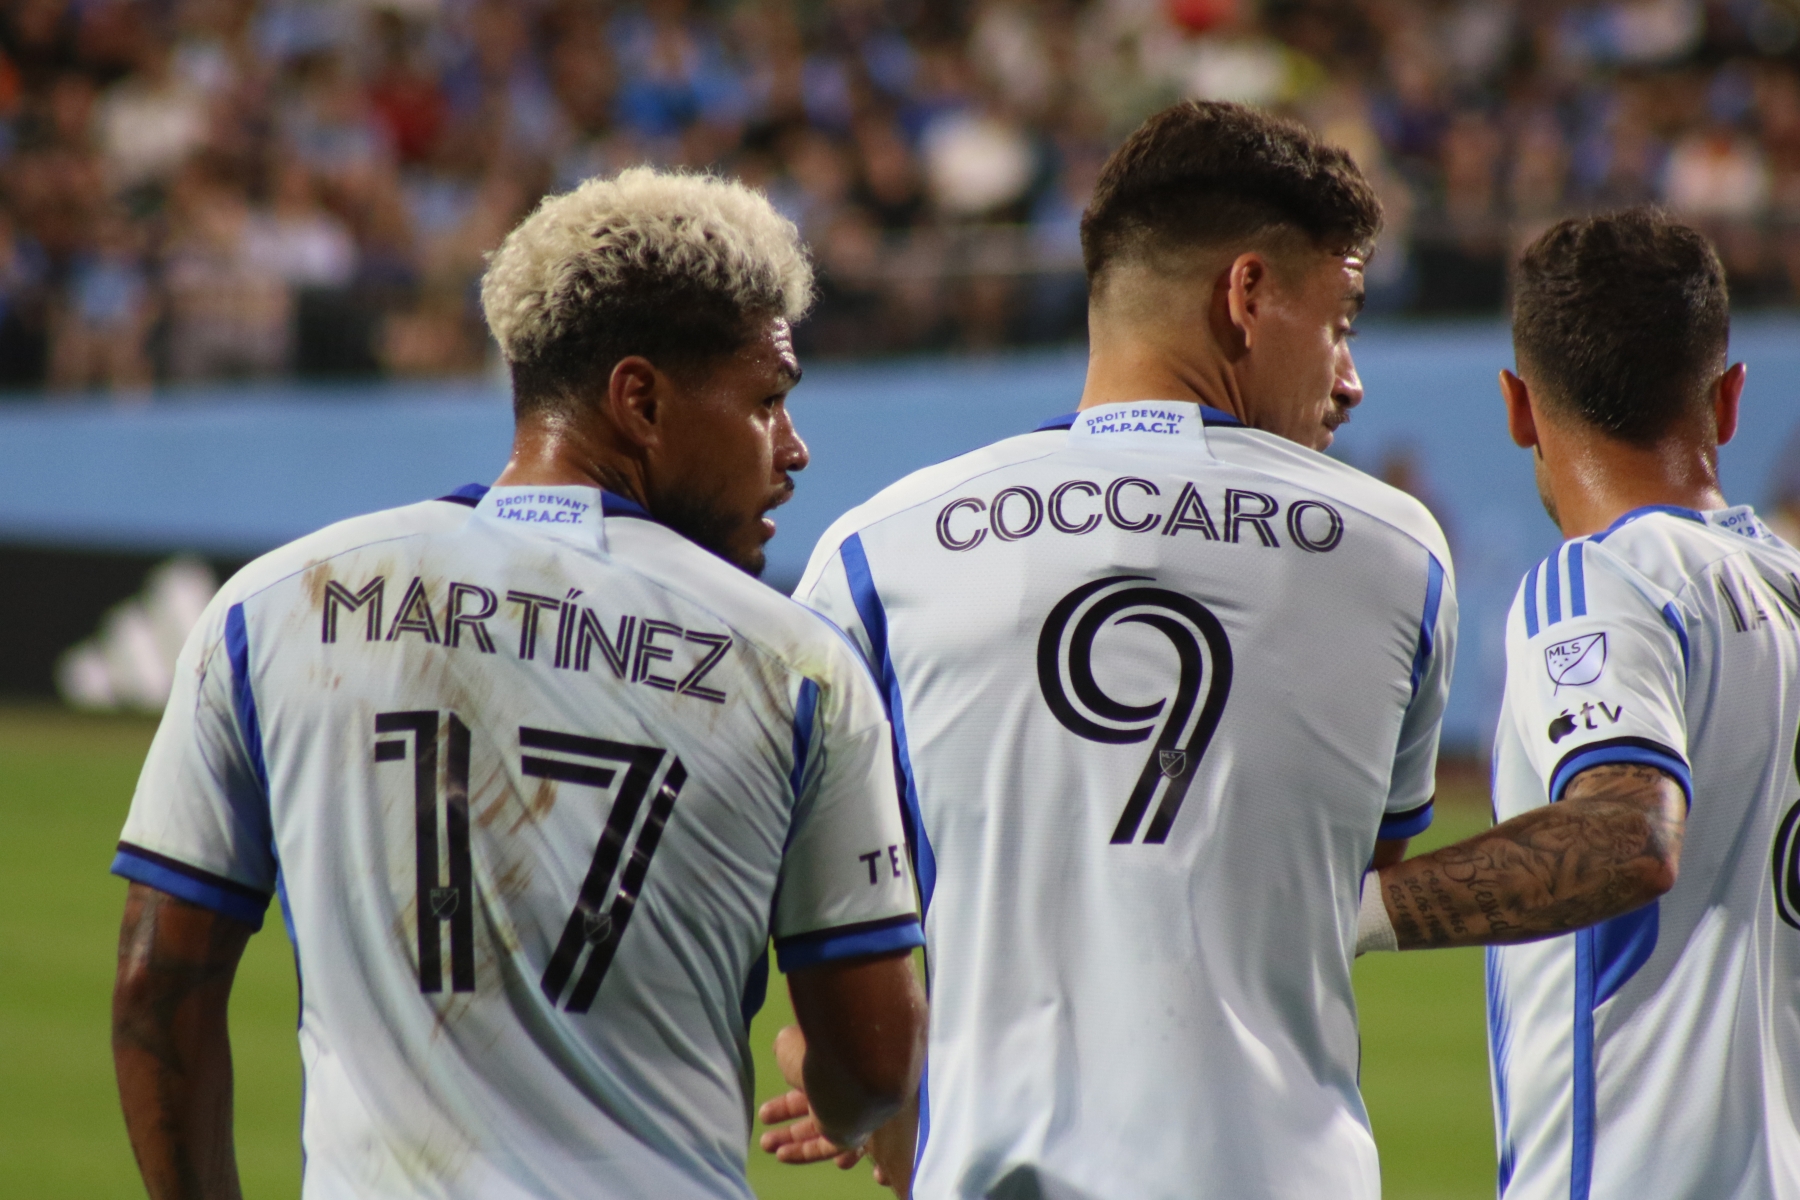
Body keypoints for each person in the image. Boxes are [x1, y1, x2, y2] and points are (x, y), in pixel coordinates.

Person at [108, 167, 928, 1200]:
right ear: (640, 401)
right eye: (768, 401)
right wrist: (838, 1095)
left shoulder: (271, 607)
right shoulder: (797, 667)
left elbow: (156, 987)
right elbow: (876, 1067)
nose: (794, 448)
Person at [762, 100, 1457, 1197]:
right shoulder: (1396, 553)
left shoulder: (872, 559)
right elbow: (1362, 882)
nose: (1350, 379)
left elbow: (821, 933)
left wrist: (861, 1072)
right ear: (1247, 295)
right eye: (1342, 323)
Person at [1358, 209, 1800, 1198]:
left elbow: (1627, 836)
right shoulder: (1786, 588)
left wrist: (1355, 912)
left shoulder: (1602, 581)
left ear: (1518, 407)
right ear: (1729, 399)